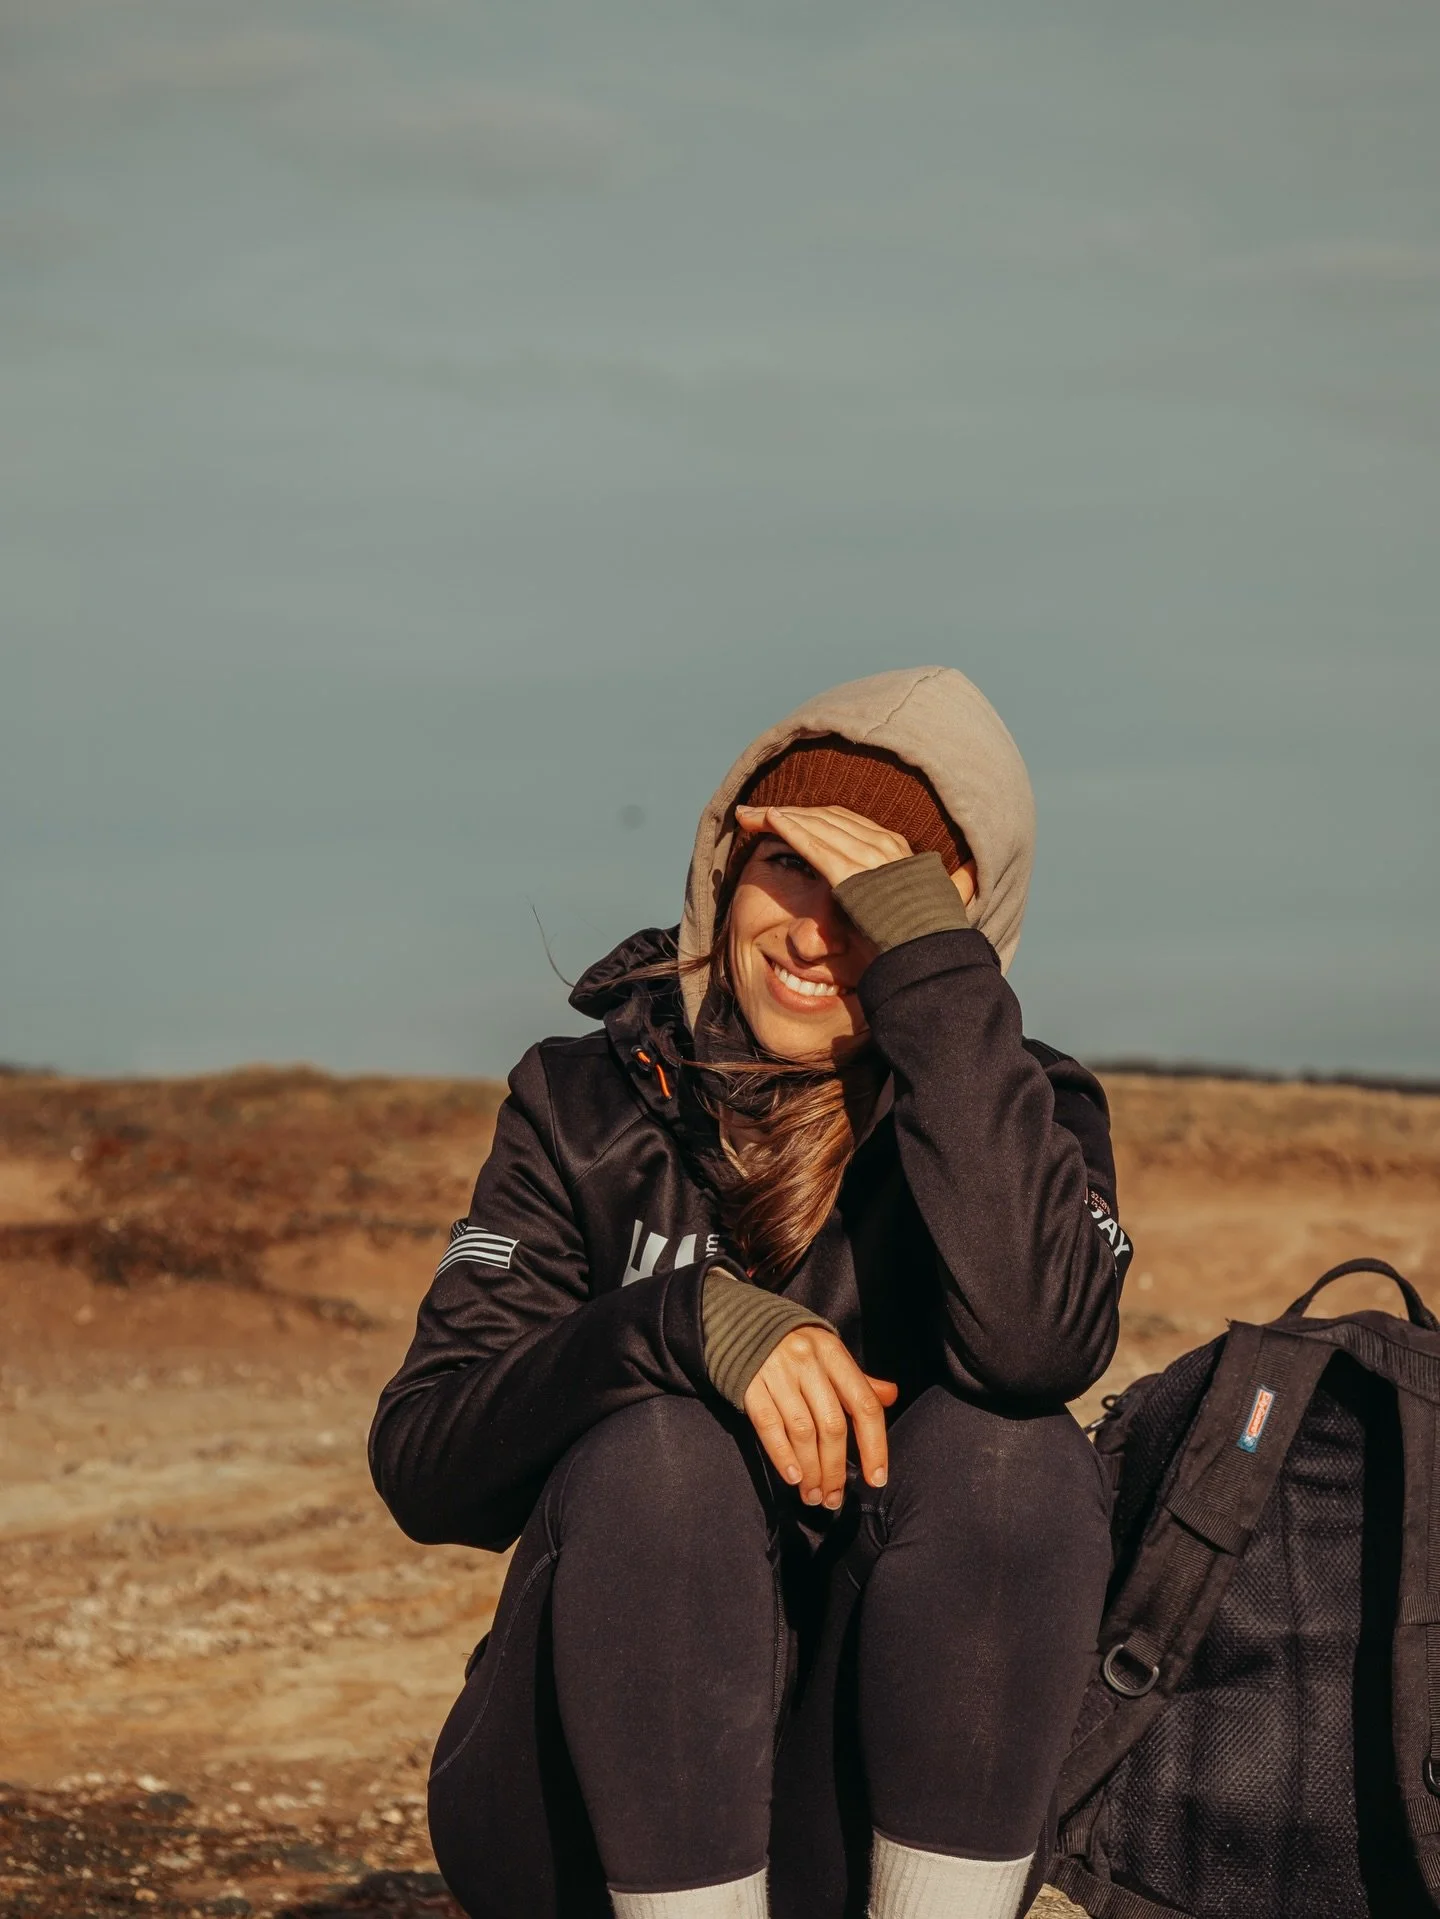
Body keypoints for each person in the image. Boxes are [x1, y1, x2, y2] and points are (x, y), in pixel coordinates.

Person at [369, 667, 1132, 1919]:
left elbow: (1039, 1343)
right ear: (725, 876)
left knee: (1016, 1452)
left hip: (867, 1819)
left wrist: (939, 998)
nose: (820, 929)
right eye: (789, 867)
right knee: (661, 1451)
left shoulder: (1028, 1118)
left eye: (880, 897)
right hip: (580, 1826)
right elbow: (425, 1463)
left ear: (955, 929)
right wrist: (677, 1325)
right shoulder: (583, 1105)